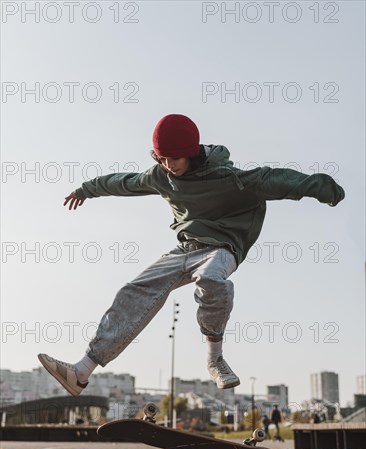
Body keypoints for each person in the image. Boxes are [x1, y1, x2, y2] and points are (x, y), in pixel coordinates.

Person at [38, 114, 345, 397]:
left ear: (192, 152)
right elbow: (124, 182)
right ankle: (81, 372)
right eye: (163, 158)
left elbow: (276, 179)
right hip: (185, 248)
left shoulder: (227, 176)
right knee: (133, 291)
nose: (170, 165)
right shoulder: (160, 175)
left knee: (212, 279)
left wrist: (321, 187)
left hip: (222, 248)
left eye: (175, 158)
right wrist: (86, 189)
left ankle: (215, 359)